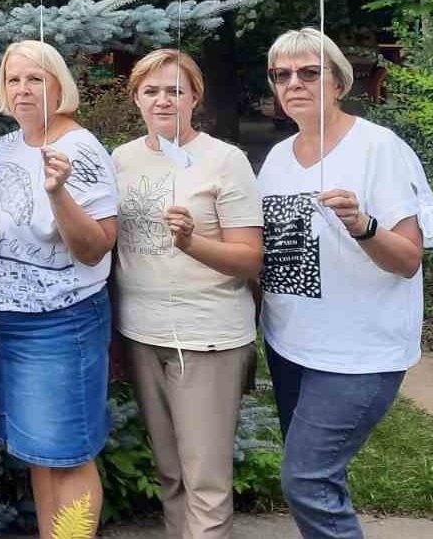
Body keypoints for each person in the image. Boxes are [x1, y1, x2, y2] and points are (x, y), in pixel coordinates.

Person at [258, 28, 431, 539]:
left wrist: (363, 226)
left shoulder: (380, 149)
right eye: (282, 75)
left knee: (306, 479)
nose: (295, 83)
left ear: (338, 82)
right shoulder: (277, 158)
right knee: (319, 479)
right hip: (290, 346)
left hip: (359, 352)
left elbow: (408, 260)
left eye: (309, 72)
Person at [111, 49, 263, 539]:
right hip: (140, 332)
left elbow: (249, 259)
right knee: (171, 473)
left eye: (175, 90)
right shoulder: (122, 159)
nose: (163, 101)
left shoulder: (226, 160)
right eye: (151, 91)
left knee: (205, 480)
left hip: (207, 337)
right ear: (135, 97)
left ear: (194, 97)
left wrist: (191, 242)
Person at [0, 39, 119, 538]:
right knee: (41, 454)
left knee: (69, 455)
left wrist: (58, 193)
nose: (23, 89)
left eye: (35, 79)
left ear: (59, 85)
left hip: (62, 322)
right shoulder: (9, 144)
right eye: (13, 80)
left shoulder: (80, 149)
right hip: (10, 322)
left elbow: (96, 246)